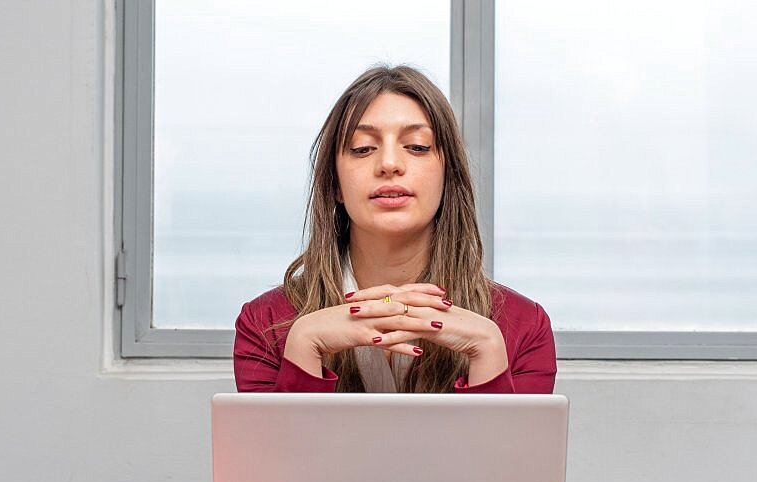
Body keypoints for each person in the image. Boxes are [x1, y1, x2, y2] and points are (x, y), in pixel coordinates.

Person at [234, 65, 555, 393]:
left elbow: (508, 447)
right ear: (335, 185)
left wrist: (488, 351)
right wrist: (303, 344)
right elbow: (278, 447)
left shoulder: (525, 328)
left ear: (448, 178)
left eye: (417, 146)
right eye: (362, 148)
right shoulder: (265, 324)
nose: (389, 163)